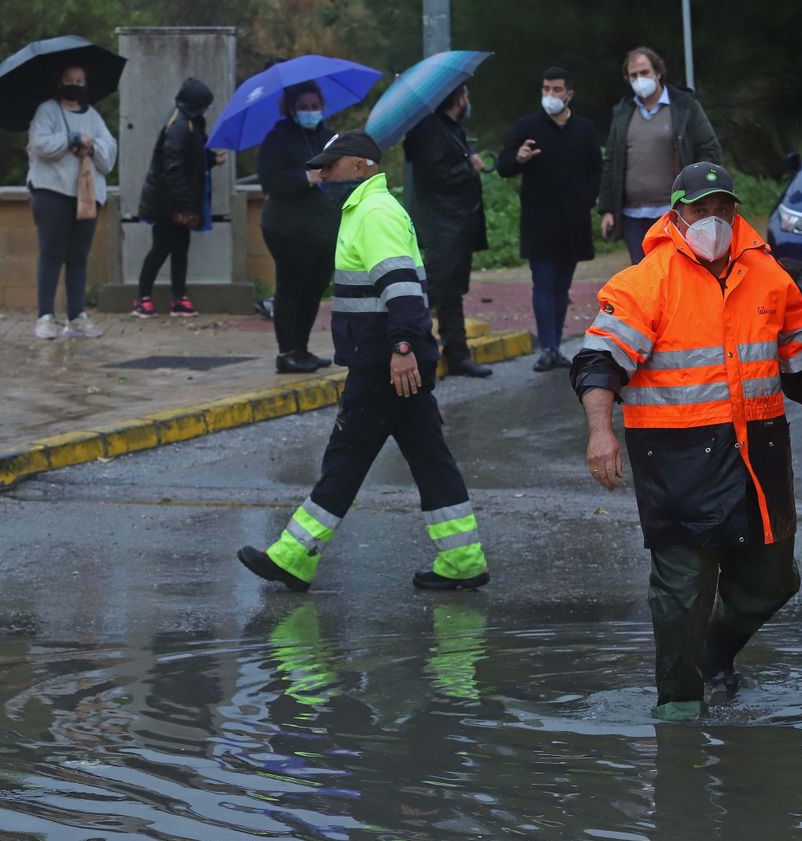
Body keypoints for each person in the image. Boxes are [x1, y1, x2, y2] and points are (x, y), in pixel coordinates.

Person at [570, 162, 802, 722]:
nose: (714, 220)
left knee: (773, 580)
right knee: (682, 594)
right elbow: (598, 361)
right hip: (676, 465)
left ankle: (712, 654)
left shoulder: (769, 278)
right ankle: (678, 707)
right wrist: (601, 433)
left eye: (723, 208)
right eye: (700, 210)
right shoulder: (643, 284)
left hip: (758, 460)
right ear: (676, 214)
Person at [238, 131, 491, 593]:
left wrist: (400, 349)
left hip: (383, 363)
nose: (322, 174)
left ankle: (294, 555)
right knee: (429, 459)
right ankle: (462, 558)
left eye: (330, 166)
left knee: (346, 458)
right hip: (389, 358)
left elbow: (402, 288)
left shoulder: (373, 212)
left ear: (358, 166)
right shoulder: (366, 209)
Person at [497, 66, 603, 373]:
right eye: (546, 89)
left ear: (569, 95)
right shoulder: (527, 126)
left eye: (556, 90)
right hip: (538, 221)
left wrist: (588, 198)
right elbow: (504, 165)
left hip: (573, 222)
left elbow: (596, 168)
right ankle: (547, 347)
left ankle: (555, 345)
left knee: (561, 287)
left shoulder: (584, 129)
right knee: (542, 283)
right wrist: (519, 159)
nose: (550, 95)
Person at [598, 46, 722, 264]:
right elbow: (611, 162)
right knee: (643, 281)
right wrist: (607, 209)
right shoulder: (623, 112)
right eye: (634, 75)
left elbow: (709, 150)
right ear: (627, 78)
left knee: (679, 273)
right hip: (633, 217)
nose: (639, 79)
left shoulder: (685, 107)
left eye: (644, 72)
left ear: (658, 72)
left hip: (675, 212)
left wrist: (701, 196)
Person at [404, 81, 493, 378]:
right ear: (456, 98)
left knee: (451, 292)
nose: (468, 100)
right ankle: (413, 353)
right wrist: (469, 166)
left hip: (459, 223)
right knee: (434, 290)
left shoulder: (452, 129)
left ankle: (457, 354)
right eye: (466, 94)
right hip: (442, 224)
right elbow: (432, 175)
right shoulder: (428, 129)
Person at [25, 65, 116, 340]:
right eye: (68, 80)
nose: (74, 84)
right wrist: (70, 139)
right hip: (52, 193)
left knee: (78, 257)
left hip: (86, 196)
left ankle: (76, 316)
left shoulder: (94, 117)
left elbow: (109, 151)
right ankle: (45, 317)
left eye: (79, 80)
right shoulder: (47, 111)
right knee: (51, 254)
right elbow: (40, 145)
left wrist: (91, 147)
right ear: (59, 82)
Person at [258, 82, 338, 374]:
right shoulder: (278, 139)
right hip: (287, 229)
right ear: (291, 109)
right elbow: (270, 180)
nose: (309, 112)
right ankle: (287, 352)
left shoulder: (329, 138)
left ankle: (302, 349)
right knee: (291, 290)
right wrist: (305, 177)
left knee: (313, 290)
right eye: (303, 107)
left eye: (314, 107)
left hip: (322, 231)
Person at [135, 77, 229, 319]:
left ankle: (179, 297)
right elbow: (174, 168)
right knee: (161, 248)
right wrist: (186, 205)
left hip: (179, 201)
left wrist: (211, 160)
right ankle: (142, 297)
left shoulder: (192, 124)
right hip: (166, 204)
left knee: (180, 248)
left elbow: (194, 157)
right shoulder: (178, 127)